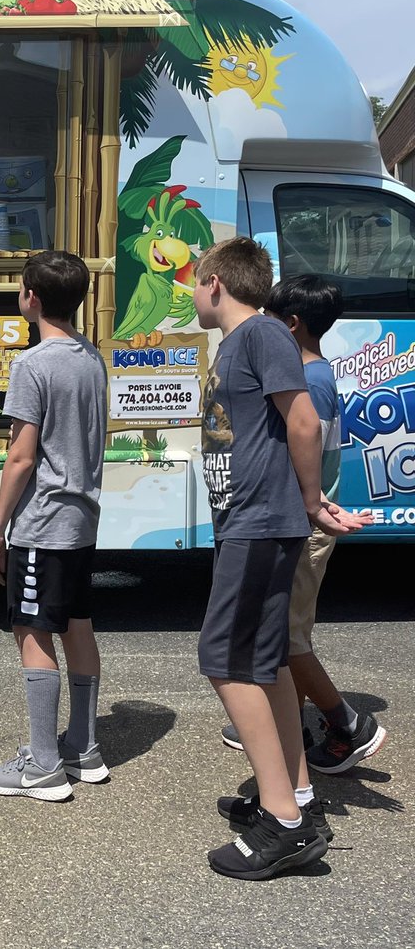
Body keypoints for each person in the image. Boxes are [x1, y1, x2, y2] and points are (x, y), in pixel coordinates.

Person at [191, 238, 369, 881]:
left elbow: (303, 423)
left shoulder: (261, 333)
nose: (189, 291)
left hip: (262, 522)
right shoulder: (246, 342)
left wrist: (312, 498)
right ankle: (296, 801)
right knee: (264, 663)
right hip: (255, 520)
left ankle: (285, 825)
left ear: (216, 284)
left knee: (227, 659)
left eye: (193, 279)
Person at [220, 276, 386, 775]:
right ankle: (288, 720)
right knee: (280, 634)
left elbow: (302, 445)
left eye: (270, 318)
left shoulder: (307, 380)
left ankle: (347, 725)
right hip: (300, 517)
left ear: (289, 324)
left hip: (301, 522)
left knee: (287, 638)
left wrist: (310, 506)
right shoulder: (311, 371)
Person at [0, 251, 108, 803]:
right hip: (81, 519)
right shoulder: (91, 357)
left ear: (31, 297)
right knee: (77, 624)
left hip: (42, 520)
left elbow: (21, 457)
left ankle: (43, 767)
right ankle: (84, 748)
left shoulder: (33, 364)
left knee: (31, 630)